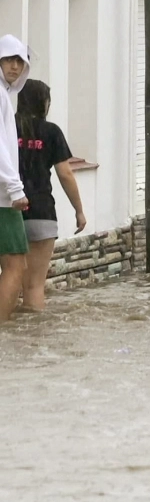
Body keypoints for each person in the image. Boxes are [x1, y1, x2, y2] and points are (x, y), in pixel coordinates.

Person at [14, 80, 87, 311]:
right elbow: (65, 174)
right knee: (34, 286)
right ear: (43, 104)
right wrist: (79, 210)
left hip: (7, 211)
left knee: (10, 278)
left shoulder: (6, 126)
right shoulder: (51, 132)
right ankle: (35, 340)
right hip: (41, 212)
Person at [0, 34, 31, 323]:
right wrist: (14, 188)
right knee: (16, 263)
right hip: (3, 199)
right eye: (8, 59)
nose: (14, 66)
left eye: (19, 61)